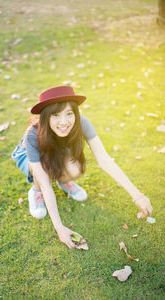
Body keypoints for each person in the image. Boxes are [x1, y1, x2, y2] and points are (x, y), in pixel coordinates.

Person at [12, 85, 153, 249]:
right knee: (44, 170)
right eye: (56, 115)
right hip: (32, 159)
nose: (64, 121)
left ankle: (63, 180)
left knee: (75, 168)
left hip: (58, 153)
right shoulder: (32, 134)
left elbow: (105, 160)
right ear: (45, 117)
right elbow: (44, 181)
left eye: (69, 113)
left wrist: (138, 195)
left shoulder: (81, 122)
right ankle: (35, 193)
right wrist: (59, 228)